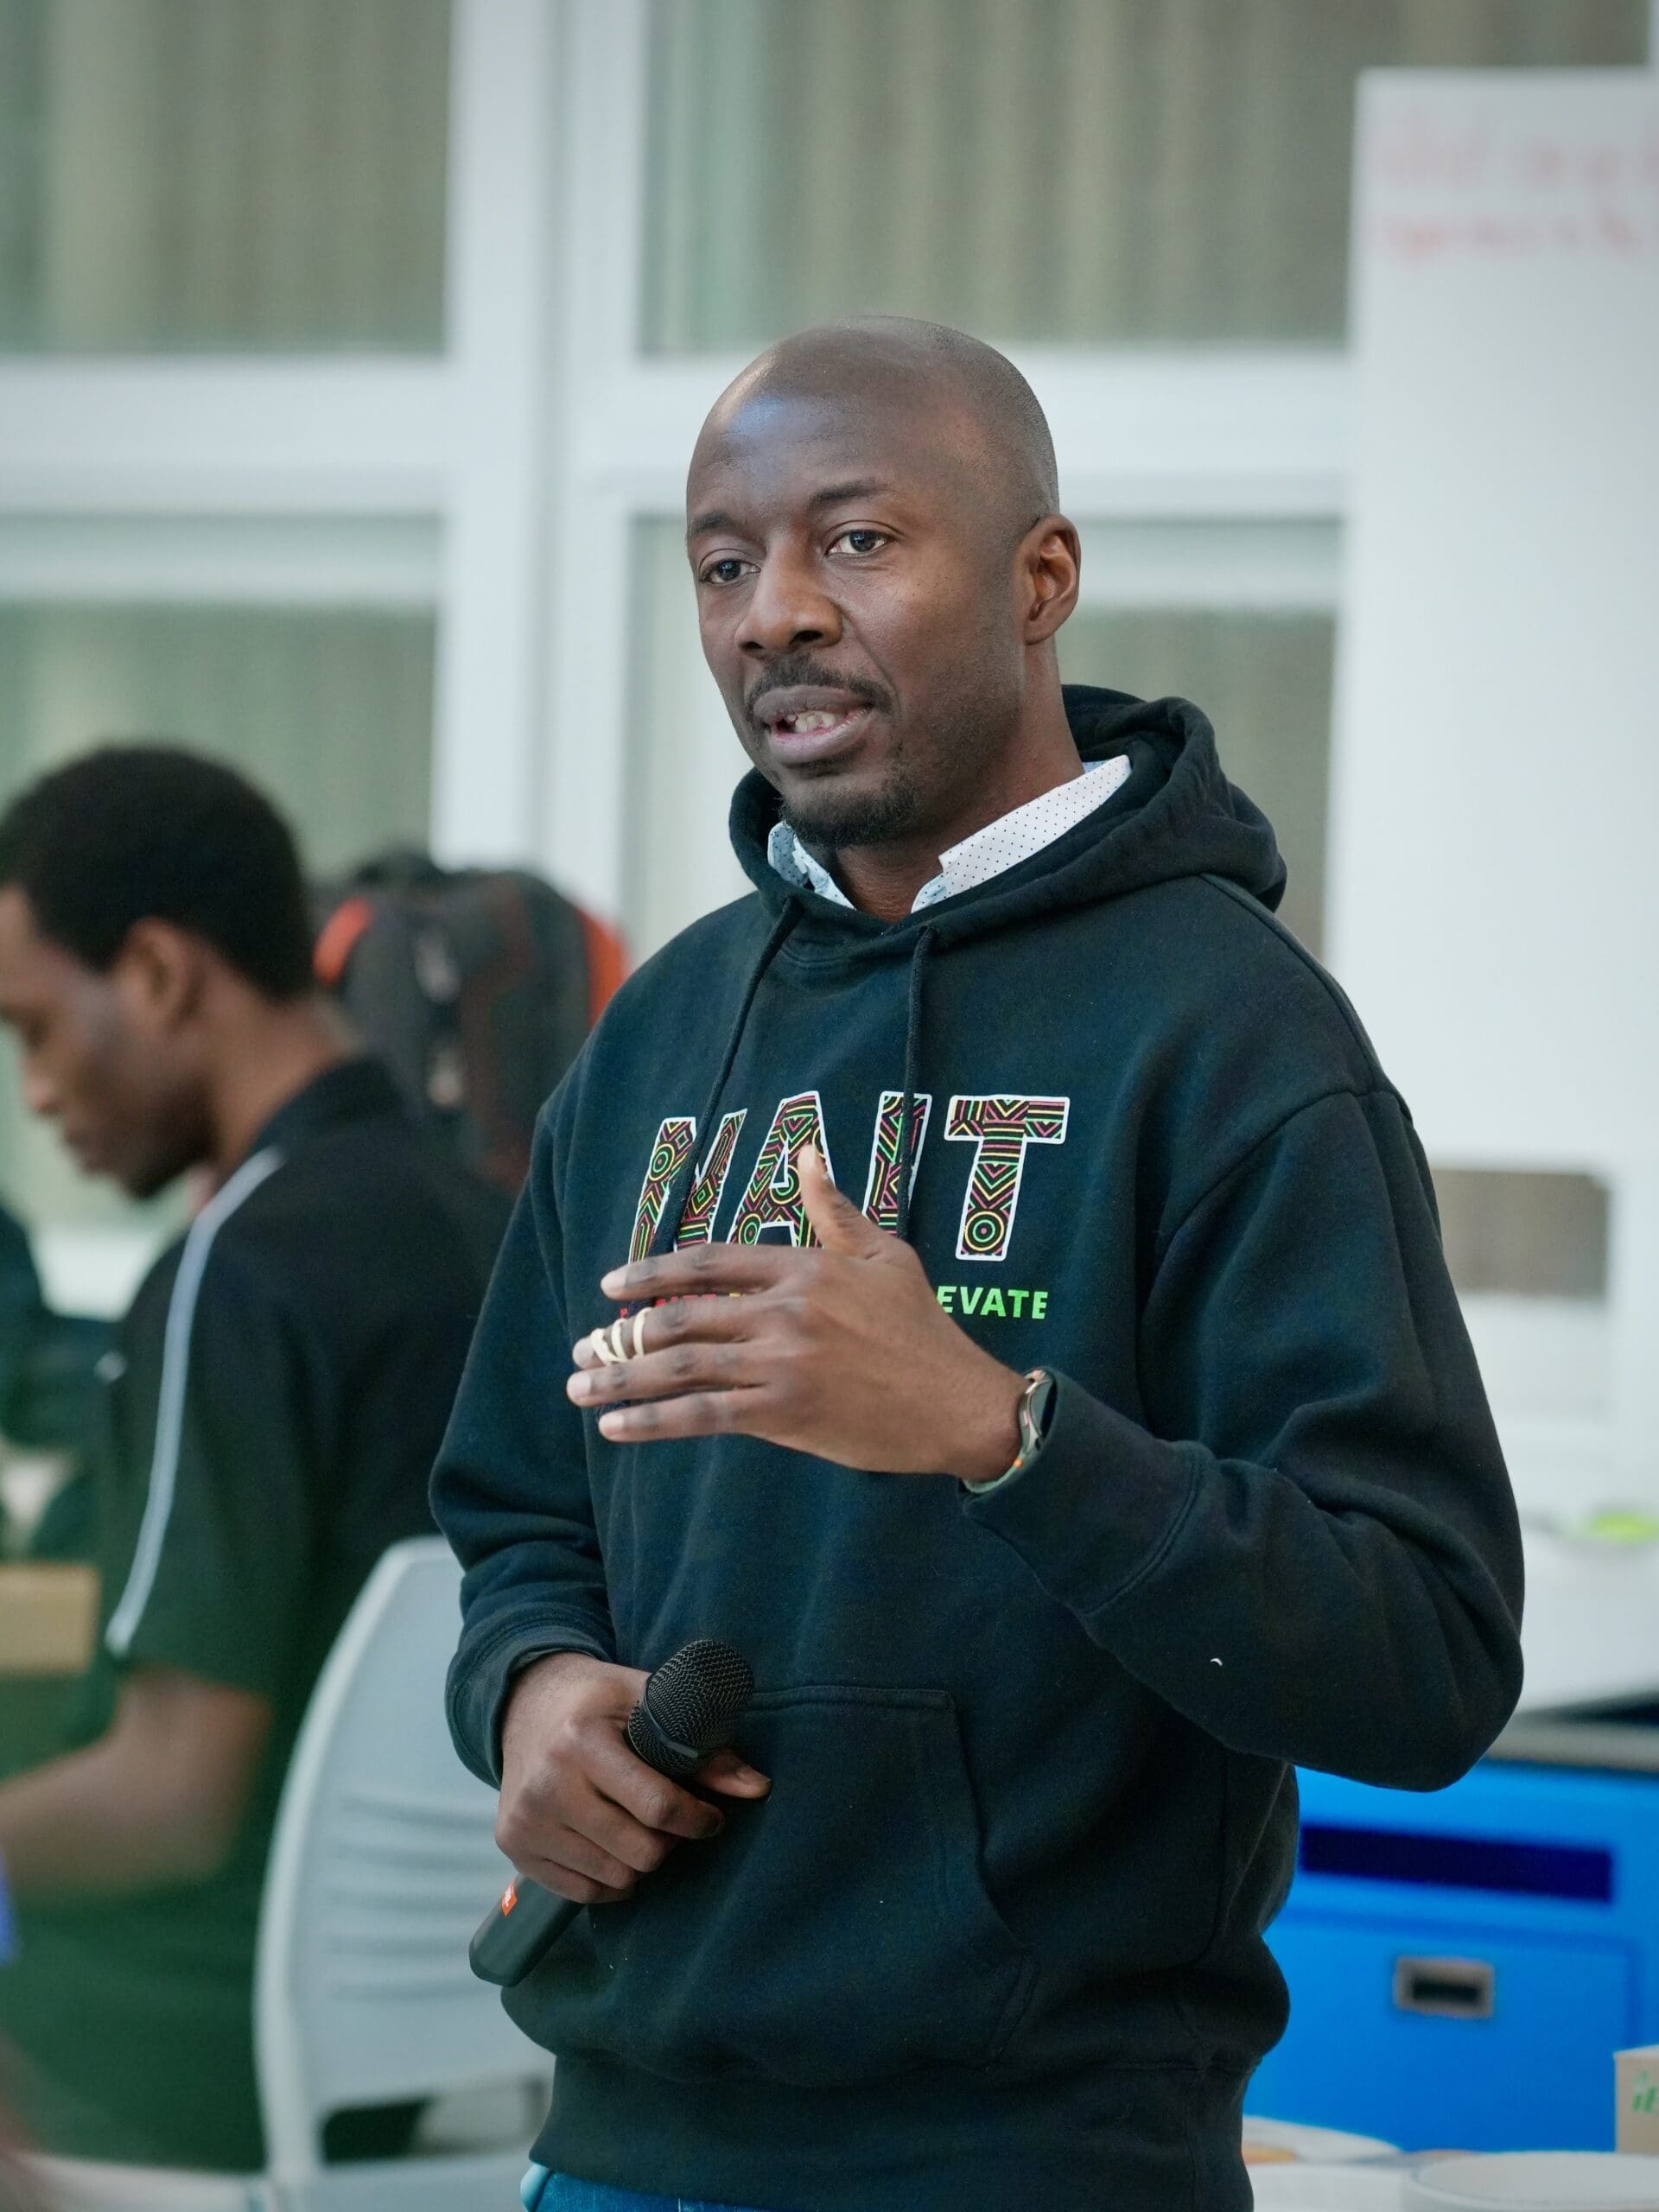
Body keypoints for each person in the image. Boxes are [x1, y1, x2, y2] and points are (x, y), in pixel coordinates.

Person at [434, 319, 1524, 2212]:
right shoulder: (669, 1025)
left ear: (1043, 581)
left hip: (1030, 2159)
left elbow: (1421, 1654)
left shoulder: (1233, 1039)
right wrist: (528, 1691)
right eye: (721, 558)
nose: (772, 610)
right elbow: (520, 1505)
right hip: (619, 2144)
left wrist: (997, 1428)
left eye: (854, 541)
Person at [0, 747, 507, 2170]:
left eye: (33, 1029)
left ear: (158, 974)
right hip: (396, 2030)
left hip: (171, 2042)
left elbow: (171, 1799)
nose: (34, 1091)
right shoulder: (469, 1221)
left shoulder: (239, 1270)